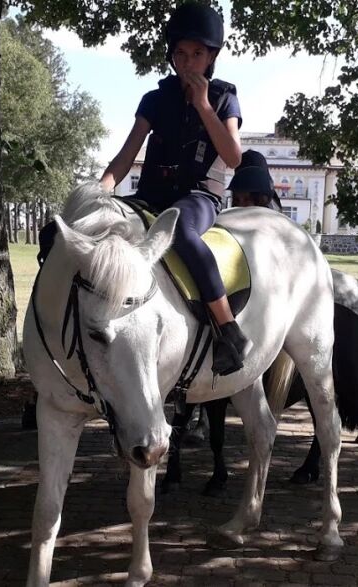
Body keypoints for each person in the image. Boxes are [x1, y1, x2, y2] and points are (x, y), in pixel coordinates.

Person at [98, 2, 248, 375]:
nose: (188, 62)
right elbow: (126, 155)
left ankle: (229, 328)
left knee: (179, 229)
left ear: (211, 57)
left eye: (197, 54)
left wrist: (204, 107)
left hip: (199, 197)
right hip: (152, 194)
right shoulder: (154, 100)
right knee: (101, 224)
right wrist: (101, 190)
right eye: (181, 53)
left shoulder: (224, 98)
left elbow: (233, 157)